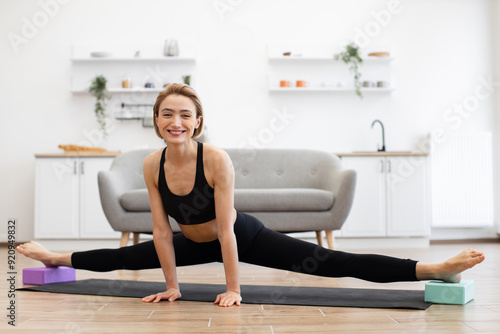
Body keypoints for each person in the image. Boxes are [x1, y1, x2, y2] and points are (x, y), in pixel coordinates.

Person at [17, 83, 485, 308]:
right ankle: (54, 257)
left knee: (332, 264)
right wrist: (174, 285)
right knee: (125, 256)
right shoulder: (150, 163)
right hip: (189, 240)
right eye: (166, 114)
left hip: (241, 233)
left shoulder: (215, 159)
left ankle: (432, 269)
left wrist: (234, 288)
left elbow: (225, 230)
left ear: (197, 121)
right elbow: (160, 230)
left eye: (184, 114)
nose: (175, 121)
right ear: (156, 121)